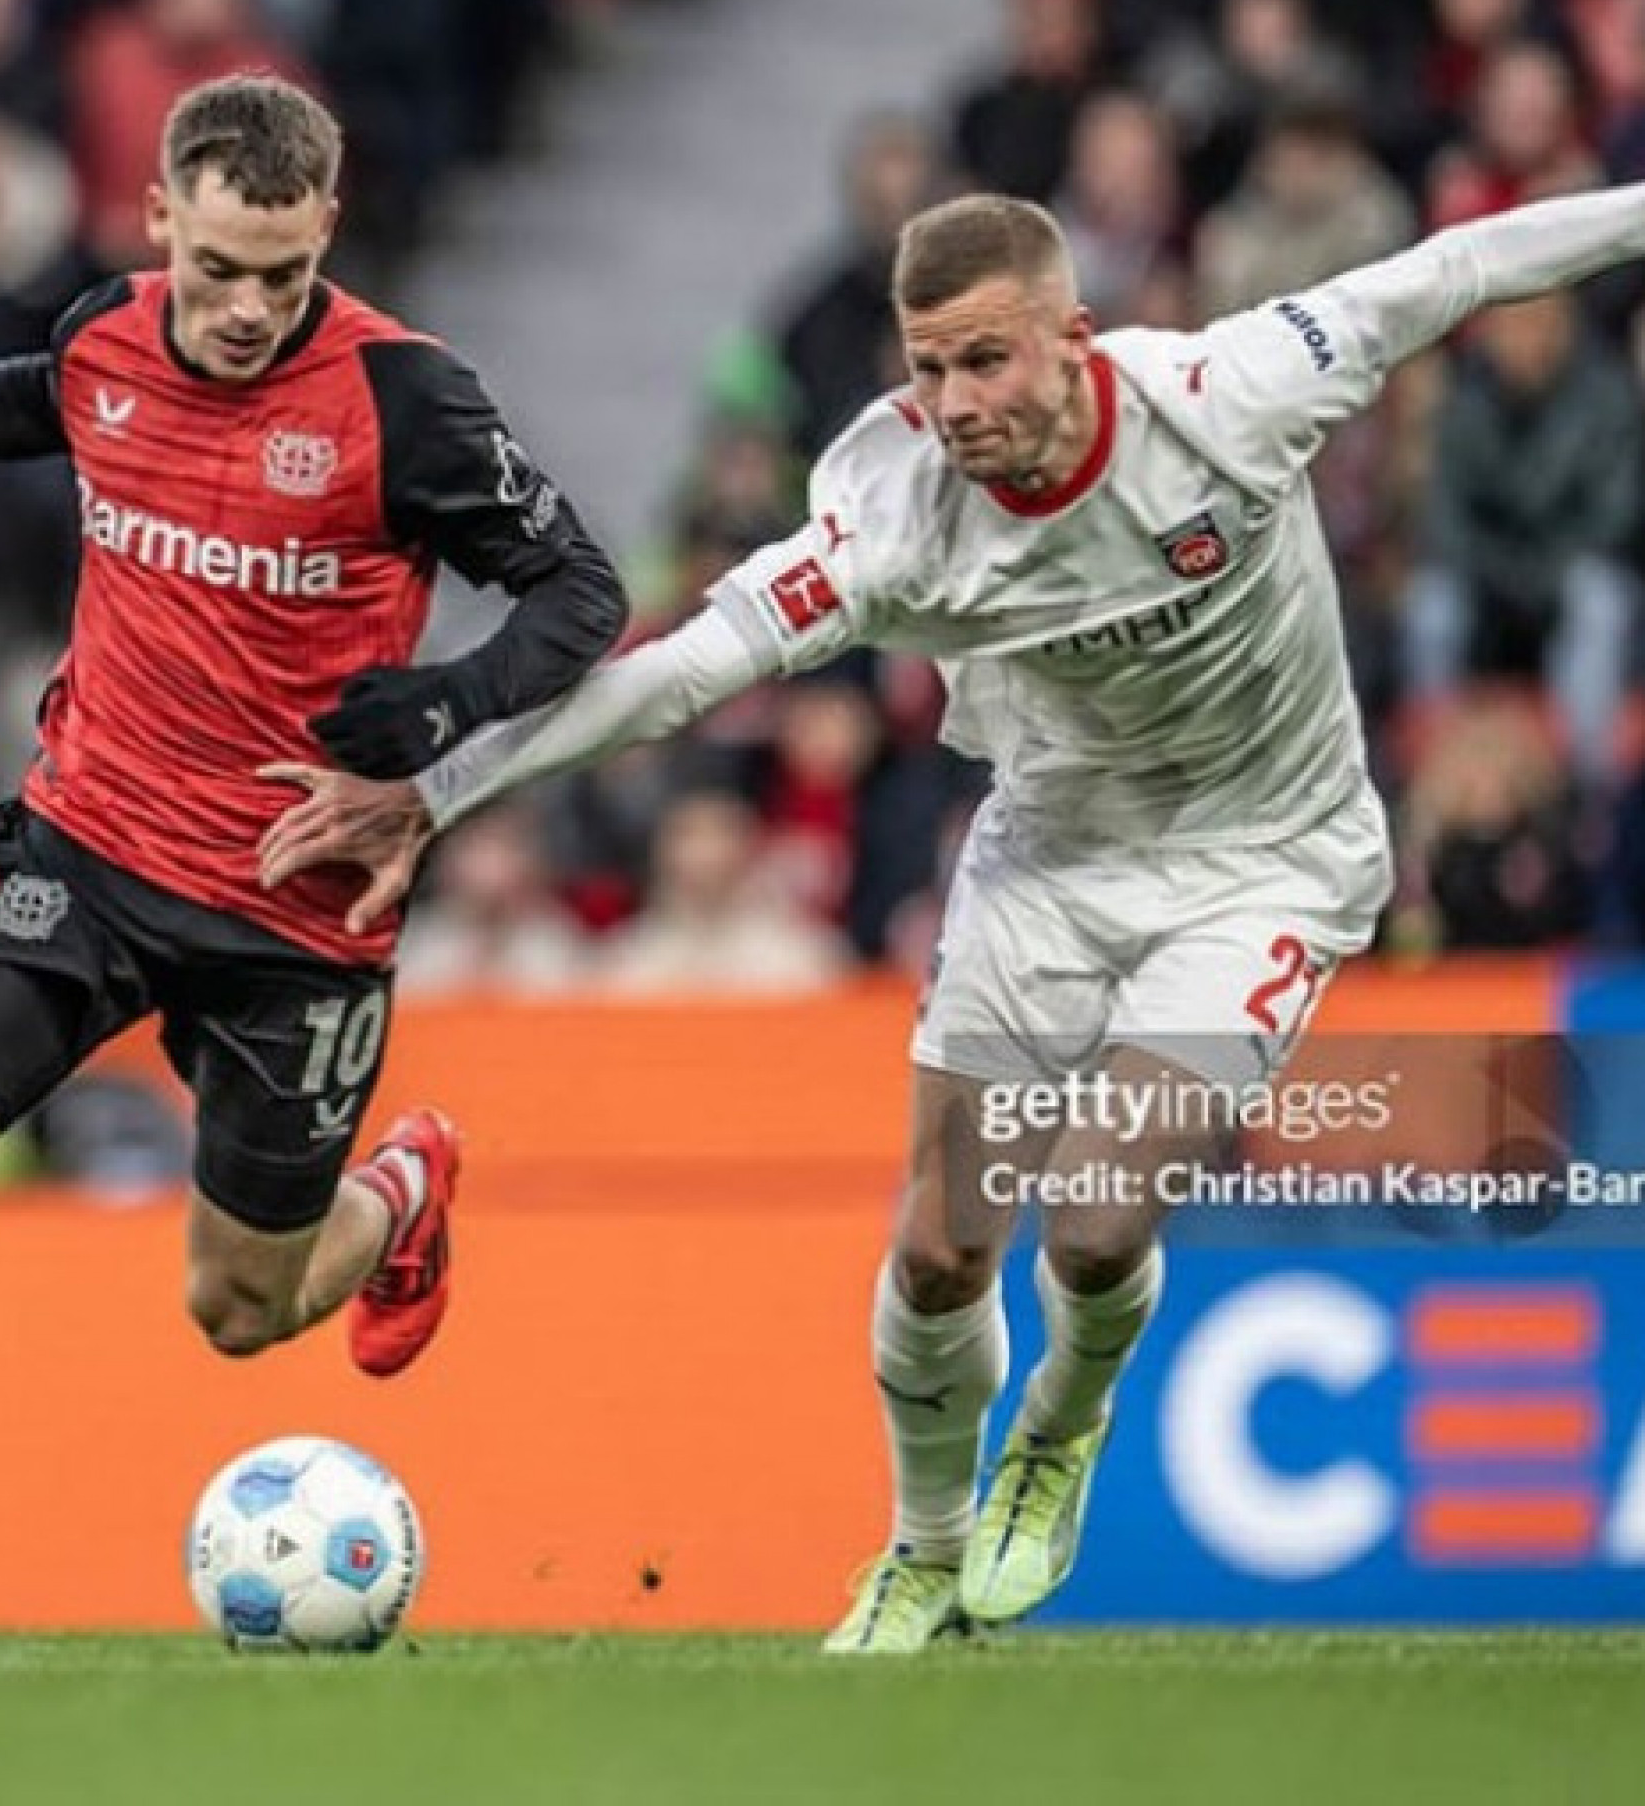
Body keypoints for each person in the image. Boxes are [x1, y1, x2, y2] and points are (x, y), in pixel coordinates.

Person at [254, 180, 1645, 1652]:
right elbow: (679, 671)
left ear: (1074, 340)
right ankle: (923, 1550)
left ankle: (1061, 1423)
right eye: (926, 366)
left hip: (1268, 859)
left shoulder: (1231, 392)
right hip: (1047, 862)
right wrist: (442, 792)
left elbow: (1464, 264)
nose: (955, 400)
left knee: (1101, 1225)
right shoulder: (894, 518)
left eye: (987, 360)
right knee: (939, 1252)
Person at [0, 72, 628, 1653]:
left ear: (328, 226)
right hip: (83, 854)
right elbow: (45, 394)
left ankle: (401, 1190)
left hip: (293, 911)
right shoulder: (114, 326)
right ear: (160, 217)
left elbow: (581, 594)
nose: (245, 311)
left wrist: (442, 715)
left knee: (240, 1312)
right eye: (218, 270)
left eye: (283, 276)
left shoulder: (407, 403)